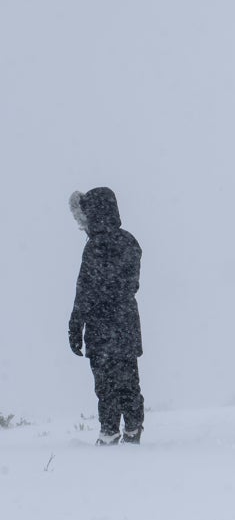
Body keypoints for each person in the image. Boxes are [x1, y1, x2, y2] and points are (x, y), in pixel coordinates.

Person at [68, 188, 146, 445]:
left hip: (101, 326)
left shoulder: (94, 248)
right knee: (128, 378)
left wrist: (75, 326)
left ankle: (109, 431)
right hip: (125, 323)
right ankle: (133, 428)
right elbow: (131, 284)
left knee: (105, 383)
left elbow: (85, 291)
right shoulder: (130, 242)